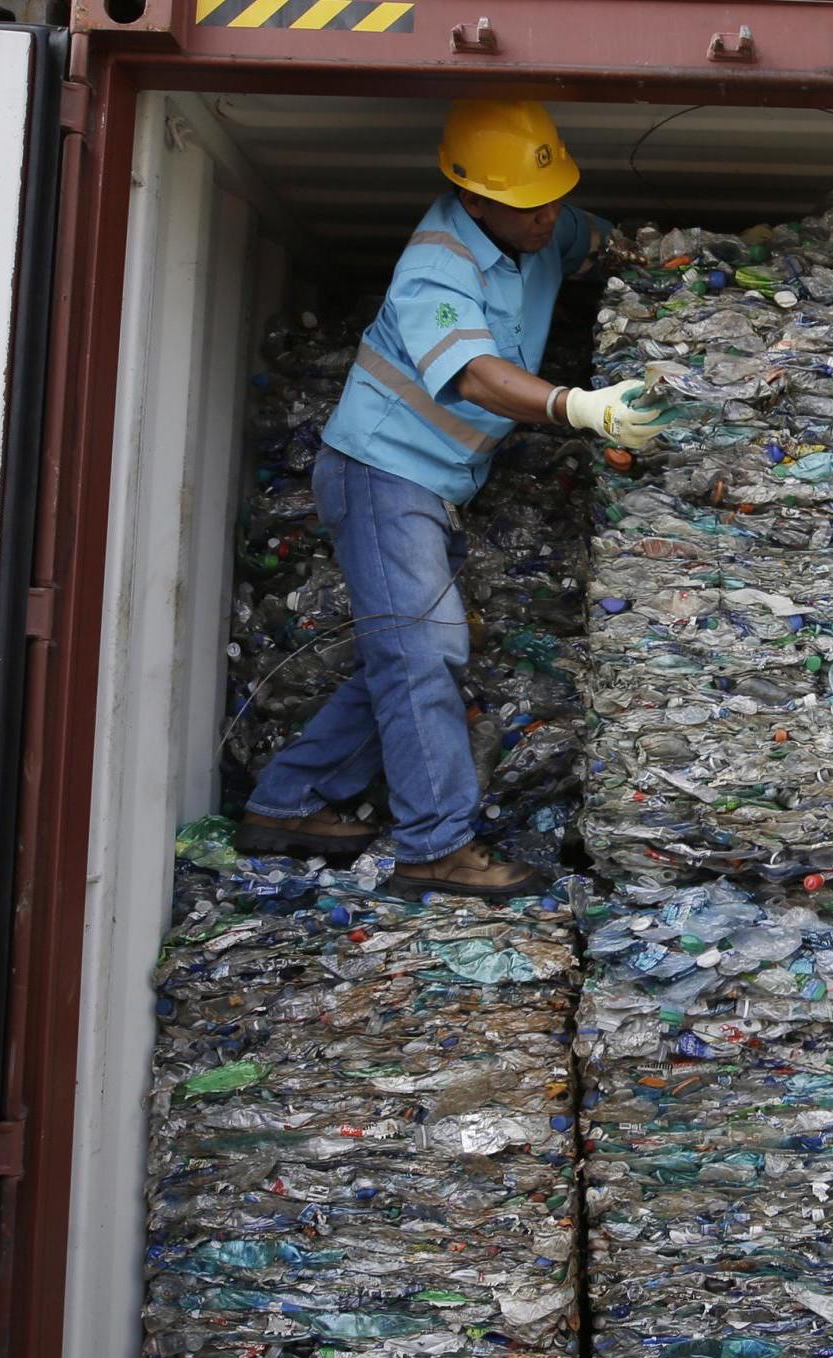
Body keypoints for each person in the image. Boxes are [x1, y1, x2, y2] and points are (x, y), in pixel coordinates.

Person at [238, 99, 666, 898]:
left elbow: (597, 241)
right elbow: (471, 373)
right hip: (380, 473)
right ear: (474, 200)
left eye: (551, 200)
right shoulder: (437, 266)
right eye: (527, 207)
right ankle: (434, 848)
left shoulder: (538, 224)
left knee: (397, 657)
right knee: (424, 651)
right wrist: (578, 406)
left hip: (438, 482)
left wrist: (656, 260)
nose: (547, 220)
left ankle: (286, 803)